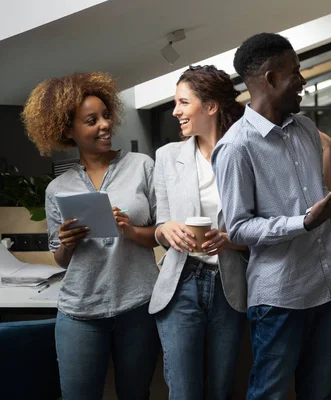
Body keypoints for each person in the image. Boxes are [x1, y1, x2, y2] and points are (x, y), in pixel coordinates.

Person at [211, 32, 331, 400]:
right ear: (271, 79)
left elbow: (315, 200)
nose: (303, 80)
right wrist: (306, 221)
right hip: (280, 297)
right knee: (270, 394)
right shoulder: (235, 147)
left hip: (327, 288)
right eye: (295, 71)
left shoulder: (307, 129)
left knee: (319, 392)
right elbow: (239, 227)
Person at [22, 72, 160, 399]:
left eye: (106, 115)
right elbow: (60, 257)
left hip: (138, 307)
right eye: (91, 120)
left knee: (136, 394)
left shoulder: (141, 166)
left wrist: (129, 229)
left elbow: (161, 234)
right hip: (80, 313)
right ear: (68, 130)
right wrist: (67, 244)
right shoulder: (58, 188)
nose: (105, 125)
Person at [148, 65, 248, 400]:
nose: (175, 111)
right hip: (181, 282)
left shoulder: (243, 152)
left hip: (229, 284)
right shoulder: (166, 156)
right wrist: (167, 230)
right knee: (184, 392)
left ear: (211, 106)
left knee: (220, 390)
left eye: (183, 102)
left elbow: (262, 225)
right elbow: (160, 225)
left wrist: (231, 241)